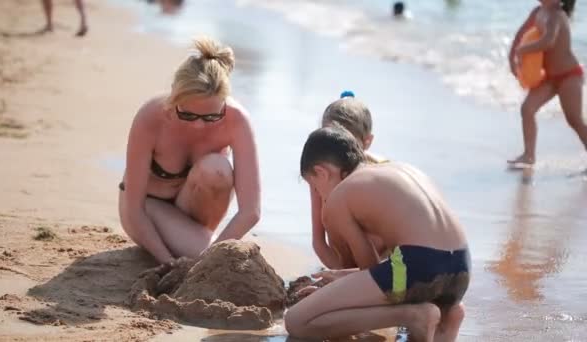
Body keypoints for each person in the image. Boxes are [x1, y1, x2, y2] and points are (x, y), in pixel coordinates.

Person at [285, 126, 471, 341]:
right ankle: (450, 313)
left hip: (419, 266)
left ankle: (413, 315)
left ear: (321, 172)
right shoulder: (401, 169)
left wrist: (336, 286)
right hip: (461, 268)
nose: (319, 195)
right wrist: (340, 277)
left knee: (297, 321)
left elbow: (370, 270)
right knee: (426, 309)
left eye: (315, 187)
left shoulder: (340, 196)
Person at [118, 37, 260, 265]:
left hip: (195, 213)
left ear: (224, 101)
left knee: (218, 169)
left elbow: (250, 211)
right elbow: (134, 208)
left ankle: (196, 246)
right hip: (148, 210)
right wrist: (167, 262)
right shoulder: (151, 116)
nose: (199, 125)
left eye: (211, 117)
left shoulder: (237, 120)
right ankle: (189, 249)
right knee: (207, 258)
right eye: (188, 115)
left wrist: (209, 259)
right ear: (174, 95)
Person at [311, 91, 389, 269]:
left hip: (383, 265)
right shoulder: (321, 173)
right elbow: (319, 242)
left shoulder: (380, 173)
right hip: (342, 264)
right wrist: (340, 274)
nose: (339, 152)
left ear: (367, 141)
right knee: (333, 211)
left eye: (348, 144)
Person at [508, 0, 586, 166]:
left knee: (574, 119)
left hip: (569, 76)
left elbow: (548, 41)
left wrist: (522, 50)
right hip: (549, 78)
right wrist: (511, 58)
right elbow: (521, 34)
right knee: (527, 109)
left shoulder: (557, 16)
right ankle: (529, 155)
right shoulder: (538, 12)